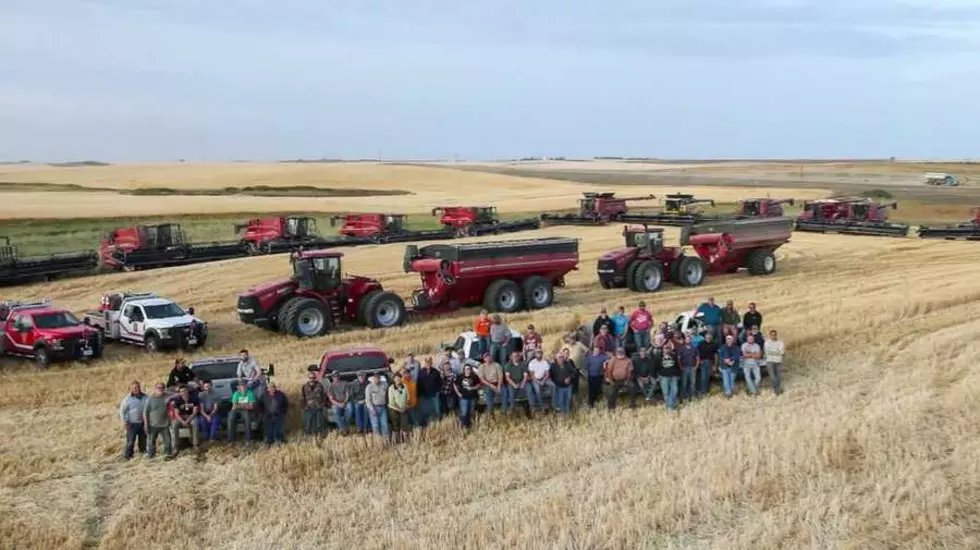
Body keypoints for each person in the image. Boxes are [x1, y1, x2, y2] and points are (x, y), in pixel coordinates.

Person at [119, 381, 147, 460]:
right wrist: (125, 422)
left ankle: (143, 454)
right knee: (130, 442)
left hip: (142, 422)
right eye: (134, 387)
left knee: (143, 441)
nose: (136, 389)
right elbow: (122, 412)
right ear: (131, 389)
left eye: (138, 387)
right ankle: (128, 457)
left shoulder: (145, 397)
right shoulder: (127, 399)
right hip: (132, 424)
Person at [143, 382, 171, 459]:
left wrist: (170, 398)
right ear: (155, 389)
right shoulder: (150, 399)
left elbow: (178, 395)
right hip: (153, 424)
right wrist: (146, 424)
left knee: (168, 442)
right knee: (151, 442)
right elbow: (145, 412)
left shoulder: (167, 396)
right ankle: (151, 456)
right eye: (159, 388)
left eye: (162, 388)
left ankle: (167, 456)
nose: (160, 389)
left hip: (165, 424)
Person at [170, 385, 200, 453]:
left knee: (195, 423)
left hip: (191, 416)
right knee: (174, 424)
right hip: (181, 417)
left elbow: (195, 412)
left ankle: (195, 444)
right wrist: (183, 422)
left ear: (187, 391)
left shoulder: (194, 398)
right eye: (181, 391)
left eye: (184, 391)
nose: (183, 392)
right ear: (180, 393)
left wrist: (188, 420)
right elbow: (176, 414)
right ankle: (176, 446)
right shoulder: (177, 400)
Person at [417, 357, 443, 426]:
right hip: (424, 395)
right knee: (425, 411)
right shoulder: (421, 372)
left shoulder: (436, 372)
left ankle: (437, 424)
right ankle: (425, 425)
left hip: (434, 395)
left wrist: (437, 391)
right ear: (425, 363)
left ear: (431, 363)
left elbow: (440, 383)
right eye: (427, 363)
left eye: (429, 362)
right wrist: (418, 394)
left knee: (436, 410)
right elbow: (418, 384)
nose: (428, 364)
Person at [454, 364, 482, 429]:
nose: (468, 370)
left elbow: (479, 385)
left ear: (471, 370)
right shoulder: (461, 376)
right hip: (463, 398)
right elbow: (455, 385)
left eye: (469, 369)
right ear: (464, 370)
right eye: (466, 369)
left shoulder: (474, 376)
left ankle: (471, 426)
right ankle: (463, 427)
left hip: (472, 397)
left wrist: (473, 388)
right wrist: (458, 393)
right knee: (464, 412)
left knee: (471, 412)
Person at [300, 371, 327, 437]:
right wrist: (304, 406)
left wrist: (323, 404)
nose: (312, 379)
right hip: (309, 407)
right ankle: (308, 435)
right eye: (310, 378)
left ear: (315, 378)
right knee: (308, 423)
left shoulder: (320, 385)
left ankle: (320, 435)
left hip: (318, 407)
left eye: (313, 377)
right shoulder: (304, 386)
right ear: (308, 378)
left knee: (319, 423)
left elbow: (323, 396)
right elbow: (302, 397)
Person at [525, 349, 552, 414]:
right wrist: (539, 382)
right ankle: (542, 406)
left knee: (552, 385)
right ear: (535, 354)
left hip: (544, 379)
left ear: (542, 354)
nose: (538, 353)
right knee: (537, 390)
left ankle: (553, 403)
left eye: (540, 352)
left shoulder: (545, 362)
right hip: (535, 380)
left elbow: (547, 374)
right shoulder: (532, 363)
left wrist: (543, 381)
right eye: (537, 352)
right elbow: (532, 376)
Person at [477, 352, 503, 417]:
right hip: (487, 384)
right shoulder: (481, 367)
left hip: (498, 383)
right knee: (489, 395)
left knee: (505, 392)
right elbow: (482, 379)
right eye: (486, 357)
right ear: (484, 359)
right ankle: (491, 414)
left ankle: (504, 412)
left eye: (489, 357)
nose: (488, 358)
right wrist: (491, 386)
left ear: (491, 357)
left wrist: (499, 386)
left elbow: (500, 376)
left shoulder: (497, 365)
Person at [550, 351, 576, 415]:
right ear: (556, 358)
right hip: (559, 387)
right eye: (559, 357)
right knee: (560, 401)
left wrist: (569, 378)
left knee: (567, 401)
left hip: (568, 386)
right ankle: (561, 415)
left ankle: (567, 415)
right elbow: (547, 373)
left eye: (562, 357)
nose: (561, 359)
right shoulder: (553, 366)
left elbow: (574, 372)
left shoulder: (567, 364)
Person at [502, 350, 527, 414]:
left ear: (519, 357)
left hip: (521, 381)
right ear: (511, 357)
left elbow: (525, 376)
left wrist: (522, 384)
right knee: (511, 393)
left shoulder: (523, 364)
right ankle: (512, 408)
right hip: (512, 382)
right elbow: (507, 377)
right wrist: (514, 385)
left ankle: (531, 408)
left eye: (517, 356)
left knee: (528, 390)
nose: (516, 357)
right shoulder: (508, 365)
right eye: (514, 356)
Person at [365, 372, 390, 439]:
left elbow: (388, 393)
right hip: (374, 408)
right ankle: (378, 442)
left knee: (384, 425)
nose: (377, 380)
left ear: (380, 379)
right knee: (375, 426)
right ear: (373, 379)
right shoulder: (369, 387)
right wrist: (372, 409)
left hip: (383, 407)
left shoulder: (384, 384)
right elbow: (368, 400)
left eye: (378, 378)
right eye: (375, 378)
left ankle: (386, 441)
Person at [388, 374, 411, 443]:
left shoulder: (404, 386)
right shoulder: (391, 388)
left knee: (405, 426)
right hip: (394, 410)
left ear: (401, 379)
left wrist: (406, 405)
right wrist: (399, 409)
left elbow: (408, 396)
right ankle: (397, 442)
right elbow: (391, 402)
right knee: (396, 427)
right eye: (396, 378)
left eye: (399, 378)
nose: (398, 379)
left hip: (404, 409)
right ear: (394, 379)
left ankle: (406, 442)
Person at [696, 331, 719, 397]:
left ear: (711, 338)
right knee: (703, 377)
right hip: (703, 362)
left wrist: (715, 365)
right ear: (705, 337)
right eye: (707, 337)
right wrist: (699, 360)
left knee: (707, 378)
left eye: (709, 337)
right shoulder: (700, 343)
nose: (708, 338)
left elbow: (716, 355)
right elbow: (697, 353)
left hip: (710, 362)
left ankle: (704, 391)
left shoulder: (714, 344)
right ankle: (702, 392)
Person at [677, 335, 699, 403]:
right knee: (684, 383)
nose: (688, 340)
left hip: (692, 367)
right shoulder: (681, 348)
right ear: (685, 340)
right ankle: (683, 397)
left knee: (693, 383)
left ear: (691, 340)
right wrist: (681, 367)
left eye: (689, 339)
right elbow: (679, 358)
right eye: (687, 339)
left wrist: (696, 366)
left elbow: (697, 358)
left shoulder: (694, 348)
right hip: (684, 368)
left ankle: (692, 397)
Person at [659, 344, 680, 411]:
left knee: (675, 390)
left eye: (668, 348)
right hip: (664, 377)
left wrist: (678, 375)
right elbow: (655, 367)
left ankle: (670, 406)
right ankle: (670, 408)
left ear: (670, 349)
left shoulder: (674, 356)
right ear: (663, 349)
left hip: (673, 376)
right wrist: (657, 376)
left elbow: (677, 366)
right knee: (666, 393)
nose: (667, 349)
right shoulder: (659, 357)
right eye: (665, 348)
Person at [764, 330, 785, 395]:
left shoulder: (780, 342)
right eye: (772, 335)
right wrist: (777, 351)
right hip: (770, 361)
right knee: (772, 377)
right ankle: (776, 390)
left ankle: (776, 390)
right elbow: (767, 352)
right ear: (770, 335)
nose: (773, 336)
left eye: (774, 335)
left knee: (778, 376)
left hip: (778, 361)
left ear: (776, 335)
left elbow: (782, 352)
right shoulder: (767, 342)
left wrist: (772, 352)